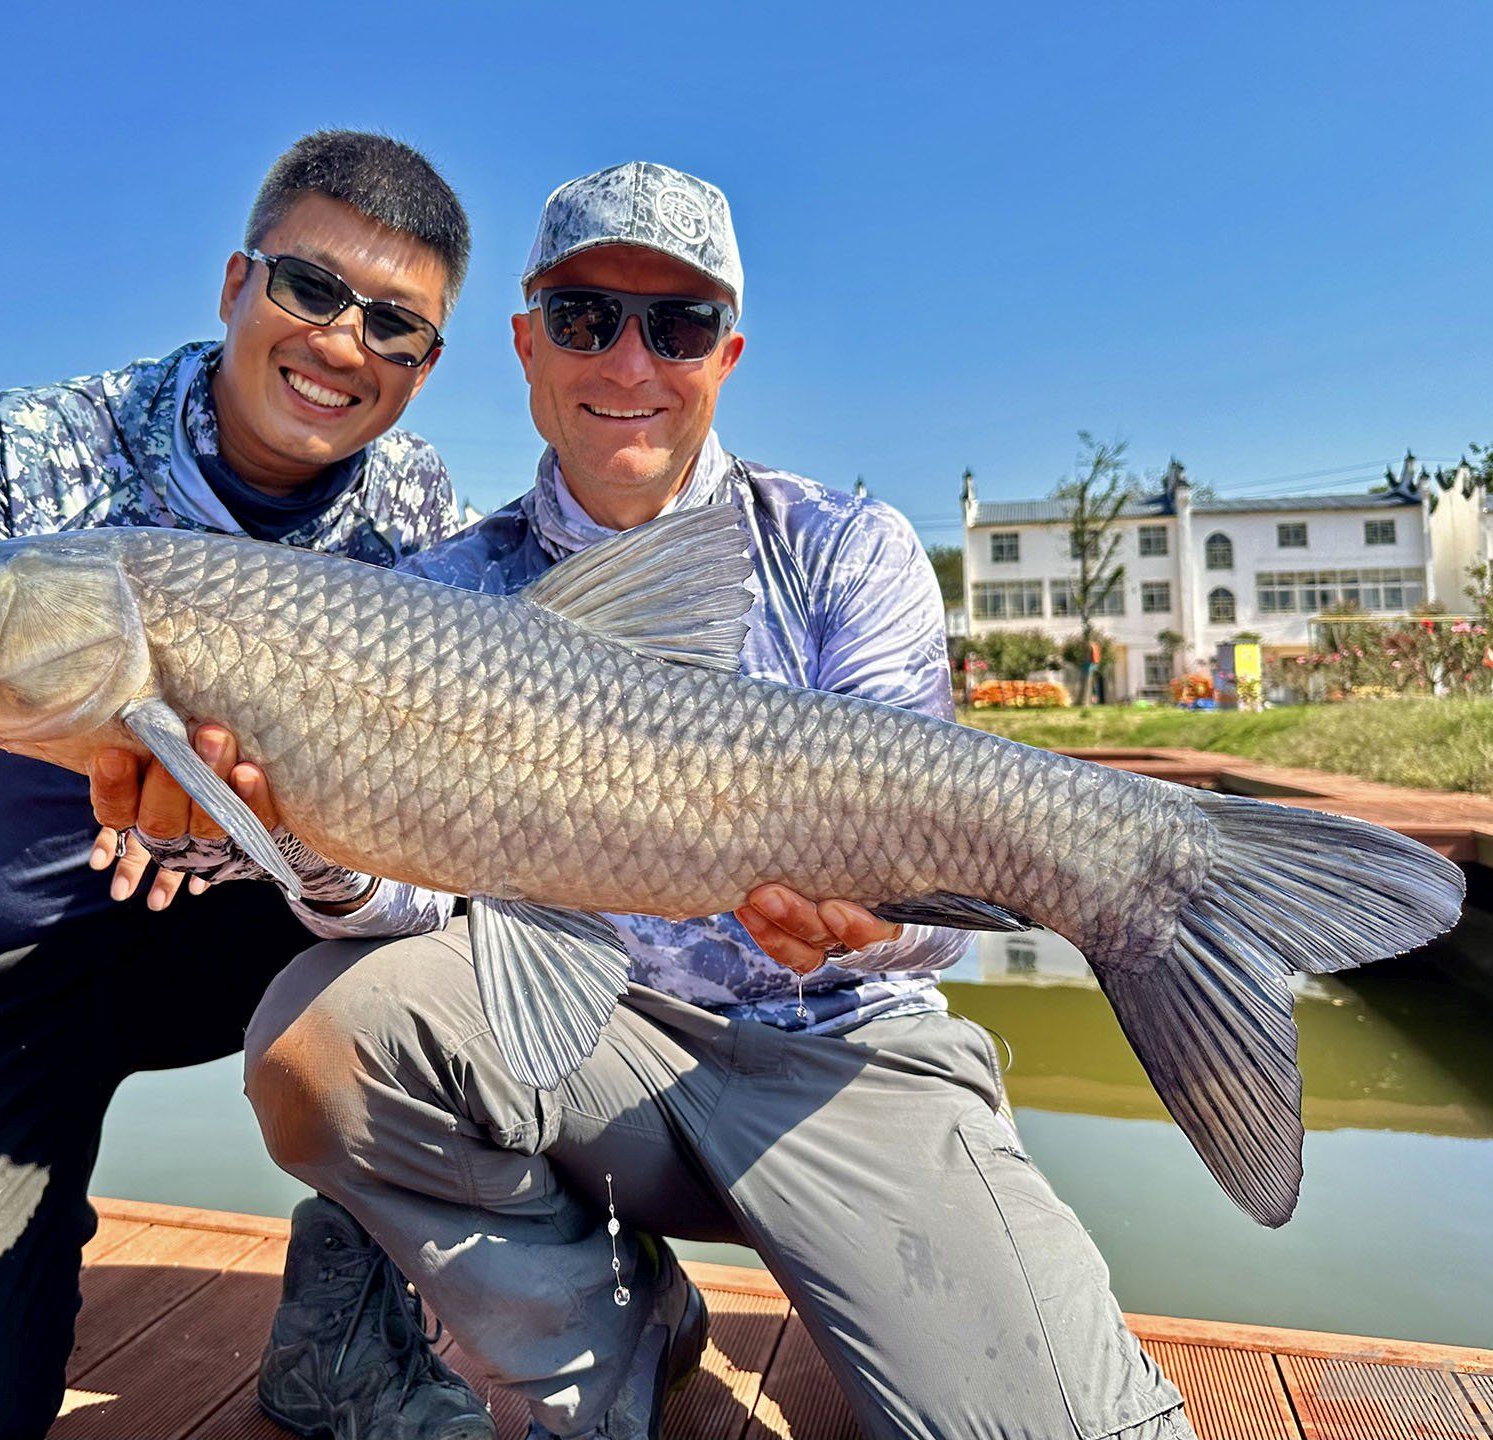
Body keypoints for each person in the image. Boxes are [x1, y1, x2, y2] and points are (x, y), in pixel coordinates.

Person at [227, 162, 1197, 1439]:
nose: (629, 361)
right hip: (584, 1042)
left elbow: (940, 922)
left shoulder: (845, 546)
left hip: (844, 1056)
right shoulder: (440, 590)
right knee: (318, 1035)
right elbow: (412, 895)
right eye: (585, 318)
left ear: (726, 354)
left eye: (675, 326)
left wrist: (876, 924)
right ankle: (601, 1330)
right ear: (526, 345)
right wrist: (308, 833)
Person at [0, 131, 498, 1440]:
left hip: (255, 932)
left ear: (428, 367)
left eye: (394, 325)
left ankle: (357, 1290)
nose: (340, 343)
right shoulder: (34, 447)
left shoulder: (417, 513)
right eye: (310, 289)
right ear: (234, 281)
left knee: (490, 907)